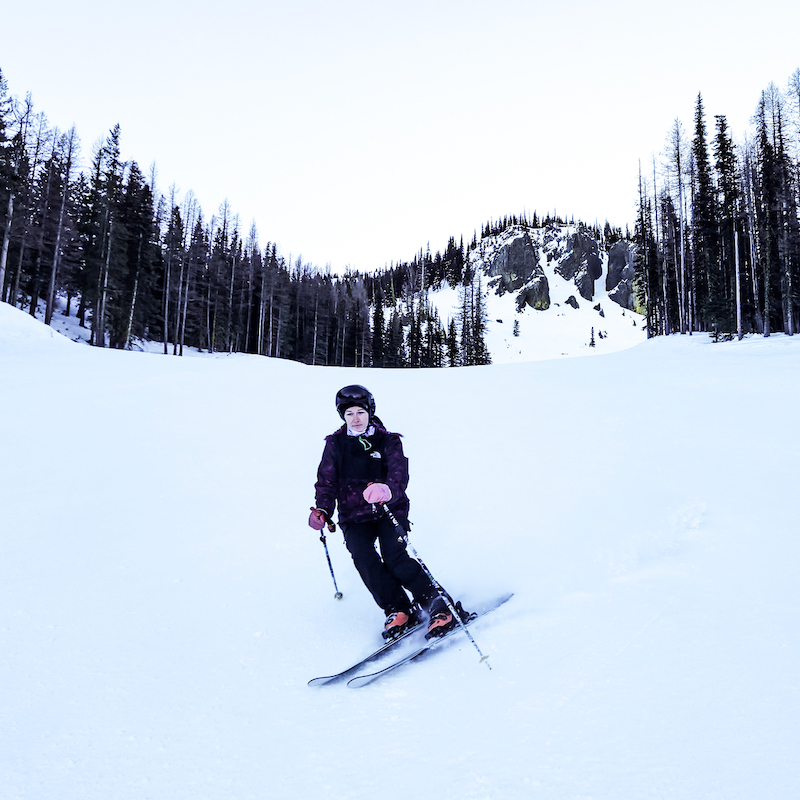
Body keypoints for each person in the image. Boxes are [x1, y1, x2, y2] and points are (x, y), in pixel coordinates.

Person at [309, 384, 463, 640]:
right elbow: (326, 482)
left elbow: (399, 476)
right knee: (364, 559)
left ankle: (438, 605)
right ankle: (398, 608)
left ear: (370, 411)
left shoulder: (389, 440)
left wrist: (387, 489)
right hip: (353, 515)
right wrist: (322, 510)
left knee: (395, 557)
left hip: (389, 510)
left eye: (360, 411)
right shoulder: (335, 444)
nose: (356, 418)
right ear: (342, 416)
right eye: (349, 414)